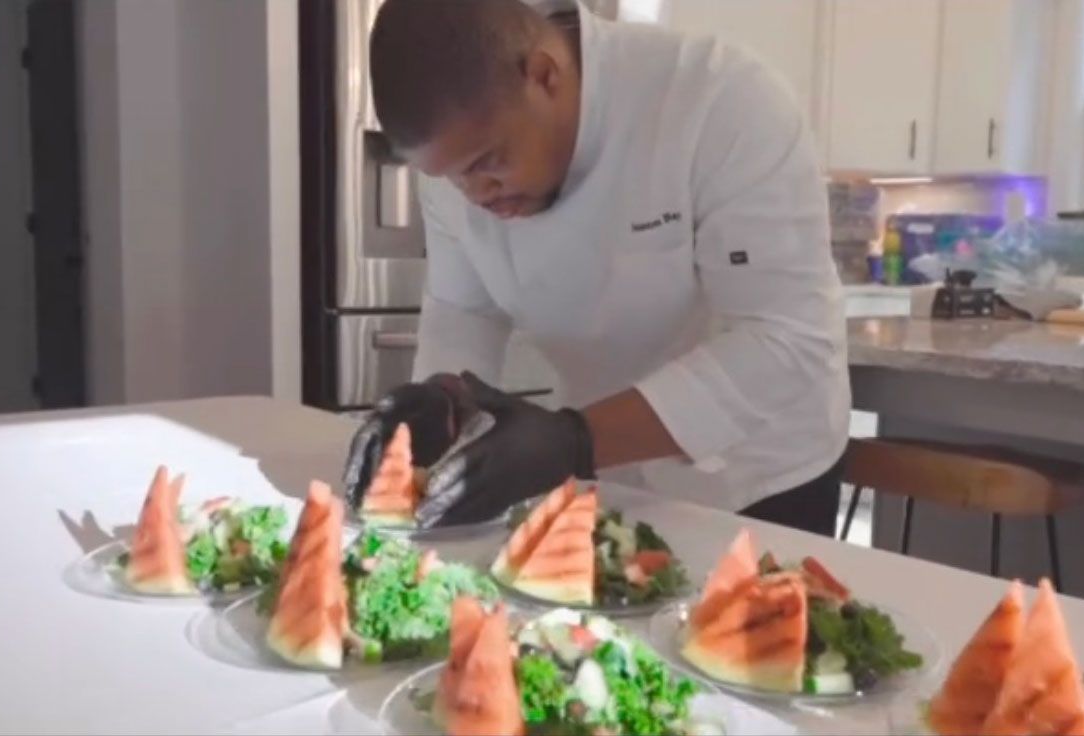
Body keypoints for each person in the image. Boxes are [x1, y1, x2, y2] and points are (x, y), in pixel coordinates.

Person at [343, 0, 850, 535]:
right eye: (450, 178)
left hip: (759, 471)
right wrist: (435, 410)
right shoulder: (461, 153)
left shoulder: (720, 101)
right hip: (604, 466)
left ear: (544, 75)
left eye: (487, 163)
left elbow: (788, 340)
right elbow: (465, 311)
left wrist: (575, 440)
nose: (473, 197)